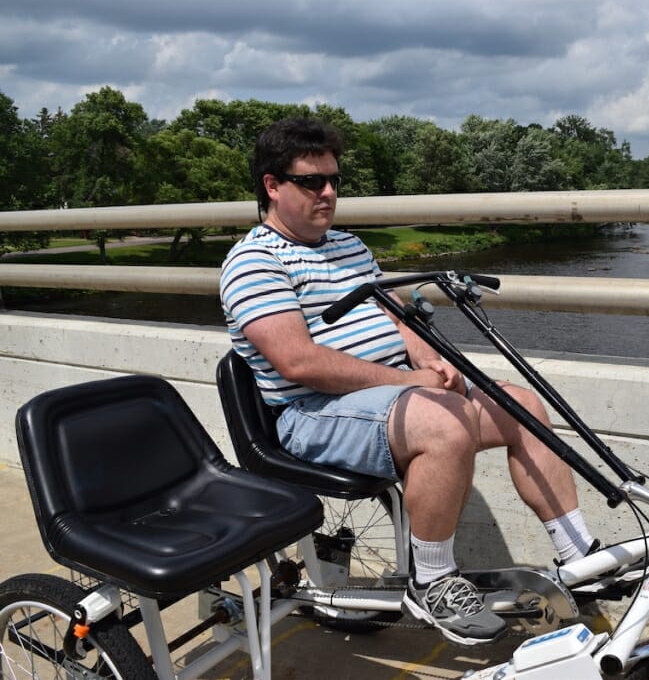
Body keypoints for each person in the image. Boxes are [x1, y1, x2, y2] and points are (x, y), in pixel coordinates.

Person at [219, 117, 597, 646]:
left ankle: (581, 555)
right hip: (312, 415)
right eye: (312, 182)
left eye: (334, 181)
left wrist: (431, 361)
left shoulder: (347, 246)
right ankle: (433, 580)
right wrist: (410, 380)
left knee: (522, 406)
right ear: (272, 186)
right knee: (444, 425)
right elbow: (298, 363)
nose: (328, 193)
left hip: (392, 397)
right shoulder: (253, 263)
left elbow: (398, 319)